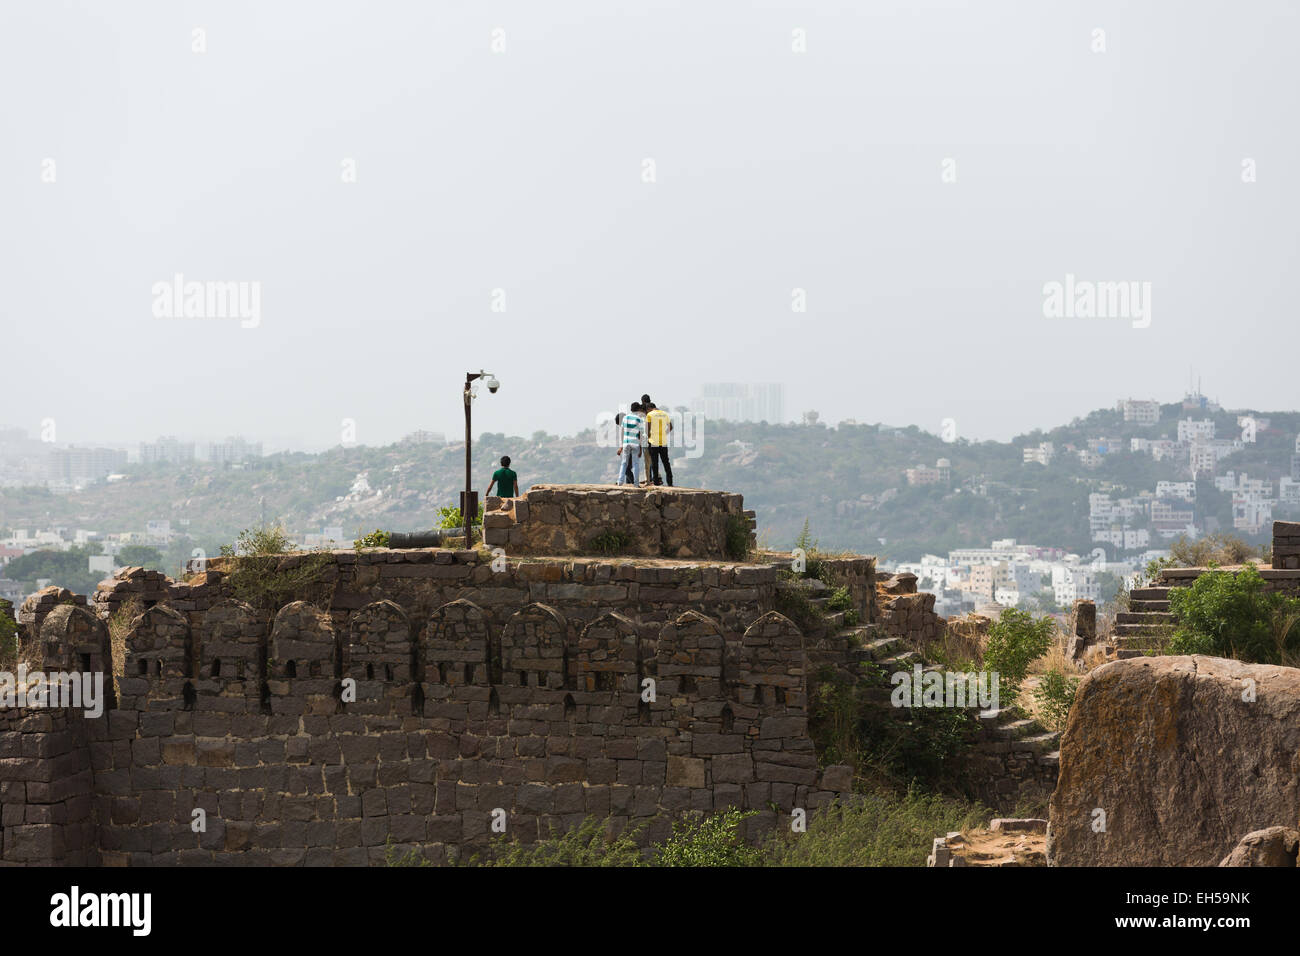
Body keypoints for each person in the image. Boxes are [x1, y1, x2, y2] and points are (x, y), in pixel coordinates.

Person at [645, 402, 674, 486]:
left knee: (654, 462)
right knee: (666, 462)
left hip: (653, 442)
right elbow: (670, 427)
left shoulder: (649, 415)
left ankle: (656, 482)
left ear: (648, 409)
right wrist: (664, 433)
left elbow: (647, 429)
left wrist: (649, 437)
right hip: (663, 442)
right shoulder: (665, 414)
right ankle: (670, 482)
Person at [619, 402, 644, 486]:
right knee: (635, 464)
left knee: (624, 463)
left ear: (631, 409)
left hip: (626, 442)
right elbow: (640, 435)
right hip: (635, 443)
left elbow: (622, 432)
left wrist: (622, 445)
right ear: (638, 409)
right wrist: (641, 448)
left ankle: (620, 482)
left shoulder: (625, 418)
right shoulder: (639, 419)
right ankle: (636, 484)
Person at [639, 394, 654, 485]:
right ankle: (654, 477)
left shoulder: (642, 411)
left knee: (647, 460)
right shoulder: (653, 409)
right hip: (654, 438)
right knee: (652, 459)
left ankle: (648, 478)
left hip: (645, 438)